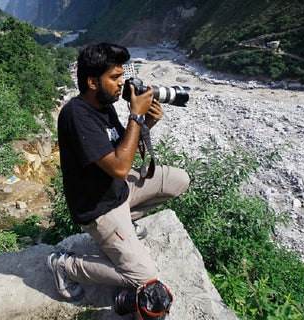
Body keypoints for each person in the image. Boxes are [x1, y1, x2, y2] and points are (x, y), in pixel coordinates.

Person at [48, 42, 190, 310]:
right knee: (144, 276)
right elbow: (120, 167)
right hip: (99, 208)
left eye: (121, 75)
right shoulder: (76, 115)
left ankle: (126, 225)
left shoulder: (105, 104)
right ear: (92, 82)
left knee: (179, 180)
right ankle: (65, 264)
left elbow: (122, 150)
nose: (121, 84)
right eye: (114, 77)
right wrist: (135, 115)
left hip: (119, 191)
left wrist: (145, 124)